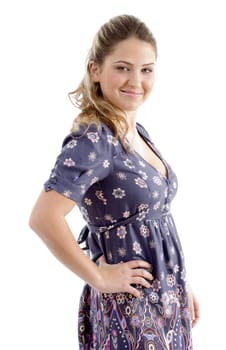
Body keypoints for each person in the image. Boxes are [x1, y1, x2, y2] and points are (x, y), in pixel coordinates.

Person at [29, 14, 200, 350]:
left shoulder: (136, 133)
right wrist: (99, 277)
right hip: (130, 306)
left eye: (146, 69)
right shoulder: (94, 139)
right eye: (123, 67)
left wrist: (179, 282)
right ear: (96, 71)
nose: (136, 80)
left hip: (164, 297)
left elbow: (155, 222)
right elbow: (43, 218)